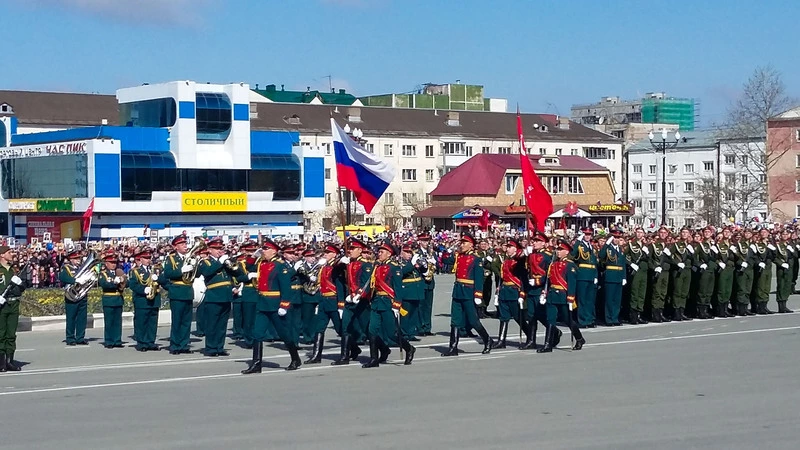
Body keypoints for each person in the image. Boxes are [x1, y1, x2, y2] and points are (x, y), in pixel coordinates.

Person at [242, 238, 302, 373]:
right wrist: (252, 256)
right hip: (262, 303)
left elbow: (286, 288)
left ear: (274, 251)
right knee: (257, 333)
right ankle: (256, 363)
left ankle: (295, 358)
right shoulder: (262, 263)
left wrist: (284, 305)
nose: (263, 251)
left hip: (275, 304)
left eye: (266, 249)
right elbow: (248, 267)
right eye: (263, 249)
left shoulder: (280, 265)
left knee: (284, 334)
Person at [441, 233, 494, 356]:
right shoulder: (458, 256)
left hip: (469, 291)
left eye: (464, 243)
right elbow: (445, 260)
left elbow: (479, 278)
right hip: (458, 290)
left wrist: (478, 294)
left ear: (471, 245)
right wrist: (447, 250)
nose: (462, 245)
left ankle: (487, 340)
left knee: (473, 320)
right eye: (461, 243)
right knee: (455, 320)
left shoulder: (476, 259)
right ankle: (453, 347)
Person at [363, 241, 415, 368]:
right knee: (372, 330)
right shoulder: (377, 267)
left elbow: (398, 288)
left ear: (389, 254)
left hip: (388, 303)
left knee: (392, 333)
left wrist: (397, 305)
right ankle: (374, 359)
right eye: (378, 252)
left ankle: (409, 348)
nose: (378, 254)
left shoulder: (394, 267)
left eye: (381, 252)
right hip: (376, 302)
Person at [538, 239, 585, 353]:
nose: (558, 252)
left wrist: (571, 298)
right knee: (550, 319)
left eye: (561, 250)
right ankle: (548, 344)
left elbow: (572, 283)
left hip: (563, 296)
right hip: (552, 295)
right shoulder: (553, 264)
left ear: (567, 252)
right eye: (557, 249)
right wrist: (545, 292)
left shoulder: (570, 266)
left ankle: (579, 338)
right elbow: (549, 280)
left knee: (567, 319)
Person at [332, 237, 372, 365]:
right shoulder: (348, 263)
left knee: (367, 329)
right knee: (345, 327)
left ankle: (382, 349)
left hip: (361, 301)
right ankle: (344, 356)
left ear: (360, 250)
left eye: (352, 249)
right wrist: (339, 262)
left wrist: (358, 295)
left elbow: (367, 283)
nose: (349, 251)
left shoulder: (365, 265)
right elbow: (335, 271)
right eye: (348, 248)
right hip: (349, 301)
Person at [198, 237, 241, 357]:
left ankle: (219, 347)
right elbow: (207, 272)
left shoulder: (224, 262)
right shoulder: (205, 262)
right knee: (212, 324)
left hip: (226, 295)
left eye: (220, 248)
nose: (219, 251)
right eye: (216, 248)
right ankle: (211, 348)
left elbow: (237, 274)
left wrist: (232, 264)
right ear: (209, 250)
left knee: (222, 324)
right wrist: (220, 262)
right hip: (214, 296)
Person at [305, 243, 344, 364]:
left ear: (334, 254)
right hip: (323, 301)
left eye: (328, 253)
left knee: (340, 329)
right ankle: (316, 355)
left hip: (333, 300)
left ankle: (351, 350)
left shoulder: (337, 266)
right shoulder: (323, 266)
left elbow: (340, 285)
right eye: (325, 253)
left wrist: (341, 304)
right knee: (319, 328)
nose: (325, 255)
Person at [162, 235, 196, 354]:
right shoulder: (171, 259)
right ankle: (175, 345)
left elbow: (195, 275)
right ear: (176, 247)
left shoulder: (190, 257)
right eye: (182, 244)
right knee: (177, 320)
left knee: (186, 321)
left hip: (187, 290)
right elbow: (167, 273)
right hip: (177, 291)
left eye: (185, 244)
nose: (185, 246)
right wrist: (181, 270)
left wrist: (193, 266)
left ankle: (184, 344)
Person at [494, 239, 529, 349]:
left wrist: (522, 294)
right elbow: (502, 276)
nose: (507, 249)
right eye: (507, 247)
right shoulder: (505, 260)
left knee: (518, 317)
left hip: (514, 291)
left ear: (515, 249)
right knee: (503, 317)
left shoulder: (519, 261)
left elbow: (523, 278)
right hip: (504, 291)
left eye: (510, 247)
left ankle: (530, 337)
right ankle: (501, 340)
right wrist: (498, 291)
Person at [128, 247, 161, 352]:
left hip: (154, 300)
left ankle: (151, 342)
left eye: (149, 258)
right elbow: (132, 285)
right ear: (140, 259)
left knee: (152, 322)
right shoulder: (135, 271)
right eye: (146, 258)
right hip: (142, 300)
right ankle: (142, 343)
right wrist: (143, 289)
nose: (148, 260)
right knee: (141, 322)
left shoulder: (155, 270)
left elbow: (162, 280)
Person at [0, 246, 26, 372]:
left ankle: (9, 361)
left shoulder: (14, 270)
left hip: (13, 304)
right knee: (1, 334)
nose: (12, 254)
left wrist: (20, 284)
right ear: (2, 255)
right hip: (1, 306)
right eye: (9, 252)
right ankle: (1, 362)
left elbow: (23, 288)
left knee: (11, 334)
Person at [59, 248, 90, 346]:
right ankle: (70, 338)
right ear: (71, 259)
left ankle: (80, 337)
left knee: (82, 318)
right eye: (76, 259)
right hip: (71, 296)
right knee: (71, 318)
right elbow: (62, 277)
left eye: (79, 258)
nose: (78, 260)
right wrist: (75, 281)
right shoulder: (66, 268)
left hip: (82, 295)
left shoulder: (82, 268)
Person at [97, 249, 125, 349]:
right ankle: (109, 341)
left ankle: (117, 340)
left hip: (118, 299)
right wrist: (115, 283)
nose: (113, 265)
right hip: (109, 299)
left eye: (115, 262)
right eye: (111, 262)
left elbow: (126, 283)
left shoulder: (119, 272)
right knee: (109, 322)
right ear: (106, 263)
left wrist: (123, 281)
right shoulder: (103, 273)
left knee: (117, 321)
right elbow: (104, 284)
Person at [599, 229, 627, 326]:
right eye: (615, 237)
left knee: (617, 299)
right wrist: (607, 243)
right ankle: (609, 319)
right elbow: (601, 256)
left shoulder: (620, 249)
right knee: (610, 299)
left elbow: (623, 264)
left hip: (619, 276)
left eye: (618, 237)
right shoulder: (608, 248)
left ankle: (615, 318)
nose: (616, 239)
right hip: (610, 276)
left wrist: (624, 277)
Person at [571, 227, 598, 328]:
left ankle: (589, 319)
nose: (587, 236)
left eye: (589, 235)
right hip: (582, 274)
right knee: (582, 299)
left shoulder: (591, 247)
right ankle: (582, 320)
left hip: (591, 274)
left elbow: (594, 262)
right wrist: (578, 241)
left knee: (589, 300)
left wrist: (595, 276)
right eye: (586, 234)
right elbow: (572, 255)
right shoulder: (580, 246)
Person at [398, 243, 423, 343]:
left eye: (410, 252)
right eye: (406, 252)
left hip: (415, 291)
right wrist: (412, 264)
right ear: (401, 253)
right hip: (406, 292)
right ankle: (404, 333)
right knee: (405, 314)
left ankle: (411, 333)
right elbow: (402, 272)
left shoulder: (413, 263)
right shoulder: (400, 263)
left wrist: (423, 266)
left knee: (414, 314)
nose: (409, 254)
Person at [416, 232, 436, 337]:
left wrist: (433, 263)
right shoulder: (417, 253)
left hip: (430, 282)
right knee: (420, 306)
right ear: (419, 241)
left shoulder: (431, 253)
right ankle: (420, 327)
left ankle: (427, 327)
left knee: (428, 306)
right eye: (424, 241)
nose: (426, 243)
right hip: (421, 282)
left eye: (427, 241)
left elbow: (436, 263)